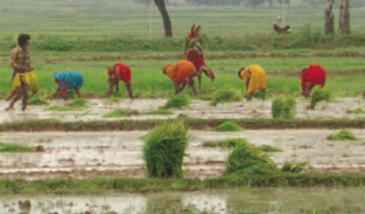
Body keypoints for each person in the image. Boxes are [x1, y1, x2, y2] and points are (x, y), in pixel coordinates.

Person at [5, 34, 34, 111]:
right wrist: (22, 67)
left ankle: (23, 110)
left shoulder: (27, 51)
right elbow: (12, 63)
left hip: (24, 74)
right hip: (17, 74)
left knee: (26, 93)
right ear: (24, 42)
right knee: (19, 94)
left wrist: (29, 67)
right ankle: (11, 105)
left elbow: (27, 62)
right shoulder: (15, 51)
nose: (29, 42)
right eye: (28, 41)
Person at [184, 24, 215, 91]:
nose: (198, 32)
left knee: (200, 71)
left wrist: (198, 49)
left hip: (198, 56)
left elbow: (202, 47)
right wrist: (185, 56)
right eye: (197, 30)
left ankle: (199, 87)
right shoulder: (188, 38)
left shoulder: (200, 38)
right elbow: (185, 47)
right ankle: (188, 88)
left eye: (198, 30)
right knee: (190, 73)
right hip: (191, 56)